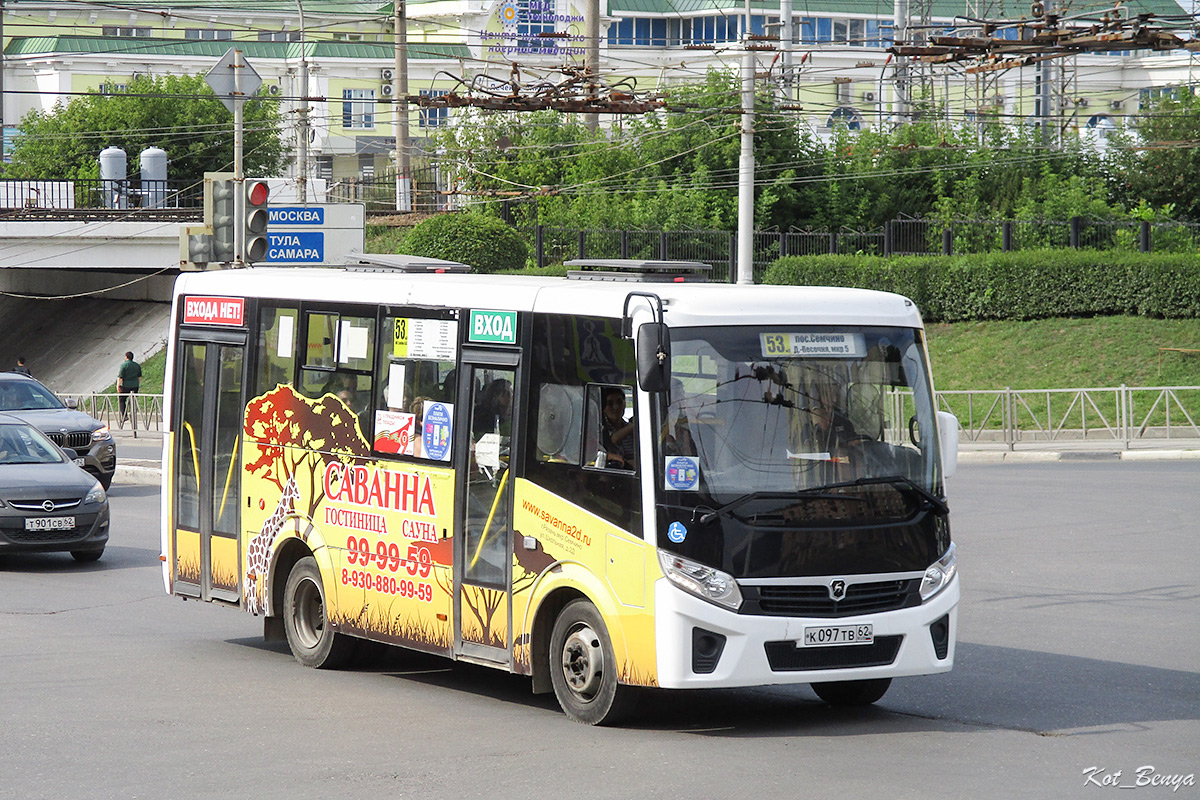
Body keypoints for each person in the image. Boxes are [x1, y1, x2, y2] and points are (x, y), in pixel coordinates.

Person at [601, 386, 635, 469]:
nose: (616, 407)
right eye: (610, 404)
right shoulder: (600, 429)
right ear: (604, 408)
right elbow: (614, 439)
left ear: (624, 404)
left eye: (619, 402)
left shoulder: (631, 430)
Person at [117, 351, 142, 422]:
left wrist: (118, 385)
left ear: (126, 357)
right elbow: (139, 377)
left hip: (125, 386)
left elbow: (120, 377)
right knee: (132, 401)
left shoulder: (124, 365)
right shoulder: (137, 365)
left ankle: (124, 416)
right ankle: (133, 415)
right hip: (135, 386)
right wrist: (137, 383)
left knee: (122, 400)